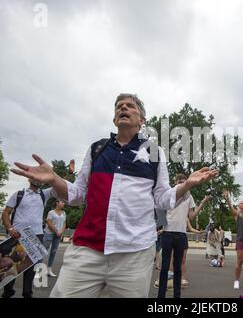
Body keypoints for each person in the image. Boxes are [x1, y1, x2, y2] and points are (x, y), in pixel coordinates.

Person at [11, 94, 219, 298]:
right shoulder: (97, 149)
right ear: (114, 119)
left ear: (141, 120)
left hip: (134, 254)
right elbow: (77, 195)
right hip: (87, 250)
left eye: (130, 106)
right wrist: (54, 179)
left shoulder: (155, 152)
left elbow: (162, 198)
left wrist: (187, 185)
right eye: (119, 106)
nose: (123, 108)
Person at [158, 173, 210, 298]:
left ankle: (177, 296)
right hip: (168, 232)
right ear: (175, 182)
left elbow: (191, 216)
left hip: (181, 234)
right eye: (179, 181)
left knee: (178, 268)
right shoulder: (170, 192)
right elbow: (160, 209)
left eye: (184, 181)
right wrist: (161, 227)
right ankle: (161, 296)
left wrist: (202, 203)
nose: (181, 183)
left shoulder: (189, 196)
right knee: (164, 267)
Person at [0, 180, 55, 298]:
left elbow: (57, 183)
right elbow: (6, 213)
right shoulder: (19, 194)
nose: (37, 180)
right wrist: (10, 229)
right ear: (29, 179)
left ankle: (27, 293)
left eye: (40, 178)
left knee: (31, 266)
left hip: (36, 235)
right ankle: (8, 291)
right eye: (34, 177)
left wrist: (70, 174)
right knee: (11, 264)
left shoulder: (43, 194)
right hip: (17, 235)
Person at [42, 200, 66, 277]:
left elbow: (64, 223)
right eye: (62, 202)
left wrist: (61, 231)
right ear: (57, 203)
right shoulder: (51, 212)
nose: (63, 203)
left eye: (63, 202)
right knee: (43, 251)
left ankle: (49, 270)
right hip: (49, 233)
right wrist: (56, 231)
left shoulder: (64, 213)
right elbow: (49, 223)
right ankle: (38, 270)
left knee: (53, 252)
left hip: (58, 235)